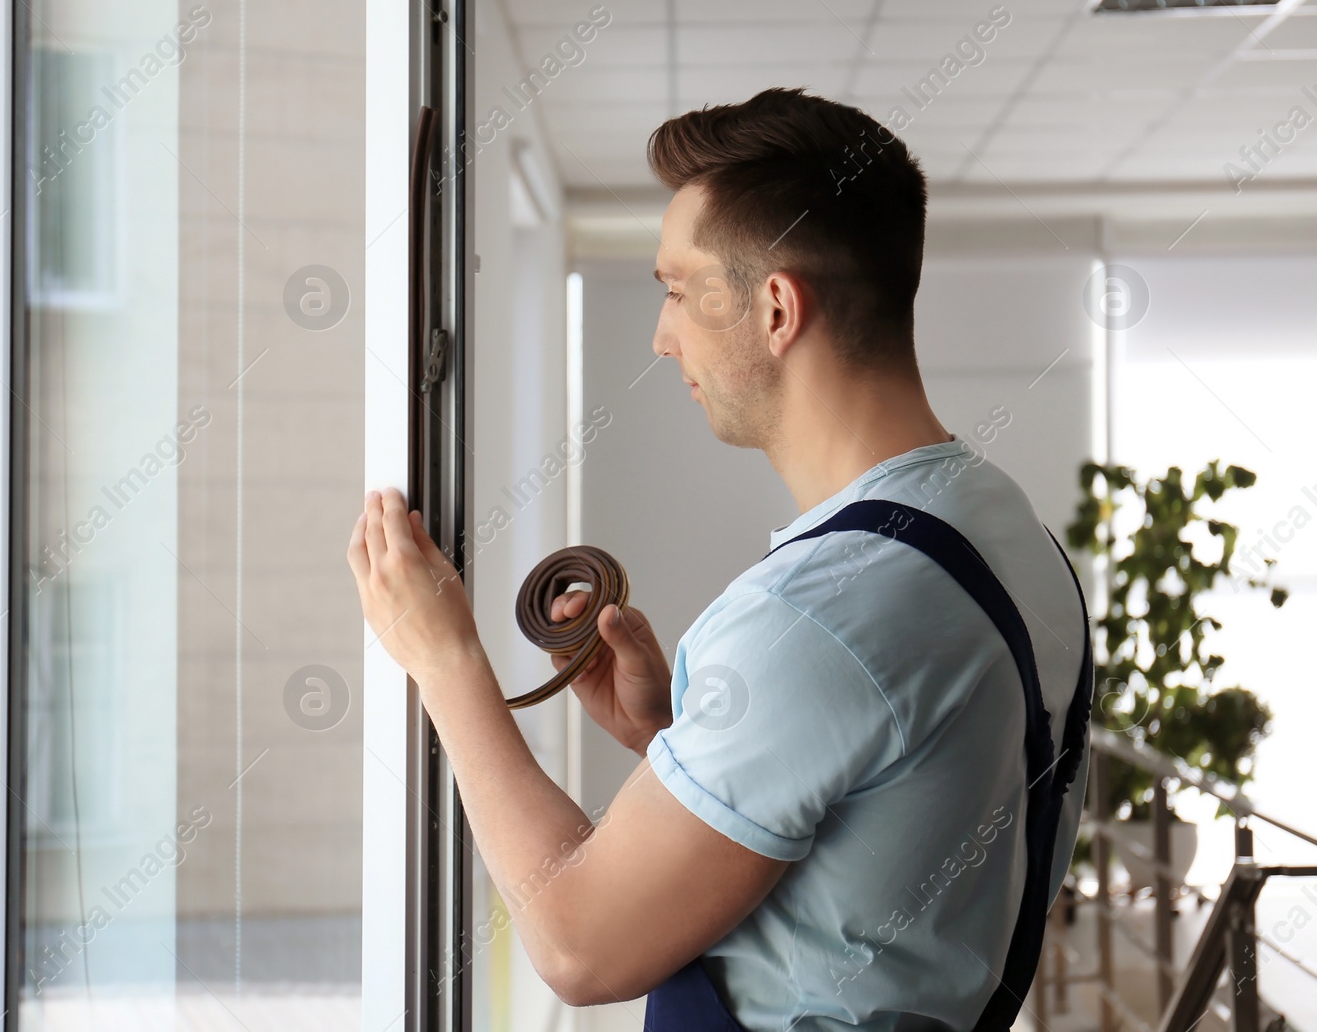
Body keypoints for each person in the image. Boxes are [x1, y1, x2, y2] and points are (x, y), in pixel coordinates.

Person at [348, 86, 1091, 1031]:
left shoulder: (817, 616)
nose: (663, 337)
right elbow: (897, 800)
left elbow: (579, 944)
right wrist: (684, 733)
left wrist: (444, 659)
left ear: (776, 309)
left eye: (675, 290)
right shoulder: (1012, 538)